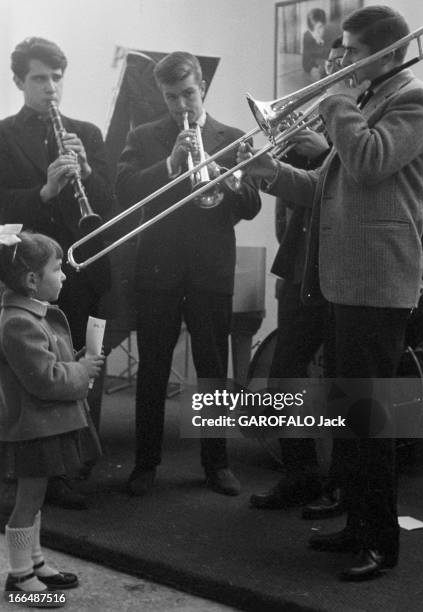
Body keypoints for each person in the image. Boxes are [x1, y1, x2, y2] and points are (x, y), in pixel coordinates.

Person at [239, 5, 423, 580]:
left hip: (378, 281)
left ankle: (382, 543)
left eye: (349, 51)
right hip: (343, 280)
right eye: (339, 50)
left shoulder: (414, 101)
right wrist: (267, 173)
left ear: (388, 54)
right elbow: (325, 187)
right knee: (347, 415)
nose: (337, 60)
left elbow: (369, 162)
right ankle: (356, 526)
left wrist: (335, 98)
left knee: (369, 421)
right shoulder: (366, 102)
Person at [116, 51, 261, 497]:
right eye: (171, 96)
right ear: (162, 95)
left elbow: (252, 207)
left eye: (188, 93)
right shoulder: (144, 136)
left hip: (211, 271)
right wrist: (170, 166)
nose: (182, 104)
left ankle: (216, 464)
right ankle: (145, 464)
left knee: (212, 370)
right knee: (153, 370)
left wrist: (230, 179)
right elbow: (124, 191)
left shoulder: (231, 137)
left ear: (202, 87)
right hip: (158, 270)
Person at [0, 38, 115, 509]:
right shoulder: (3, 134)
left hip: (77, 269)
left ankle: (74, 465)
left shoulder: (86, 131)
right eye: (39, 78)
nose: (51, 87)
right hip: (23, 272)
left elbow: (108, 208)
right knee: (28, 369)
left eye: (56, 78)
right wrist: (44, 192)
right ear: (19, 82)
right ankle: (22, 469)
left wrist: (86, 172)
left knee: (80, 363)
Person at [250, 38, 345, 516]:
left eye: (341, 62)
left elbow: (358, 180)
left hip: (346, 270)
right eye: (328, 64)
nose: (332, 71)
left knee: (345, 386)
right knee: (284, 376)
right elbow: (292, 199)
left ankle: (343, 487)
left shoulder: (365, 118)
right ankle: (301, 473)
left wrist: (326, 147)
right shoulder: (322, 116)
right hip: (301, 266)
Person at [0, 228, 104, 597]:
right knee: (27, 501)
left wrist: (76, 363)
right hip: (32, 428)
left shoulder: (32, 315)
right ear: (32, 280)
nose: (63, 275)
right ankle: (18, 575)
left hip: (43, 424)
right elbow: (43, 380)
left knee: (37, 496)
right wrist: (81, 372)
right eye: (57, 269)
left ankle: (35, 560)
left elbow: (47, 366)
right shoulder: (18, 321)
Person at [302, 9, 331, 81]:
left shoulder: (329, 34)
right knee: (315, 73)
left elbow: (332, 55)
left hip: (328, 65)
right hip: (316, 65)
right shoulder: (307, 36)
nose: (316, 32)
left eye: (320, 27)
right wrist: (314, 66)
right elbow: (305, 62)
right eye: (312, 30)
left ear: (324, 25)